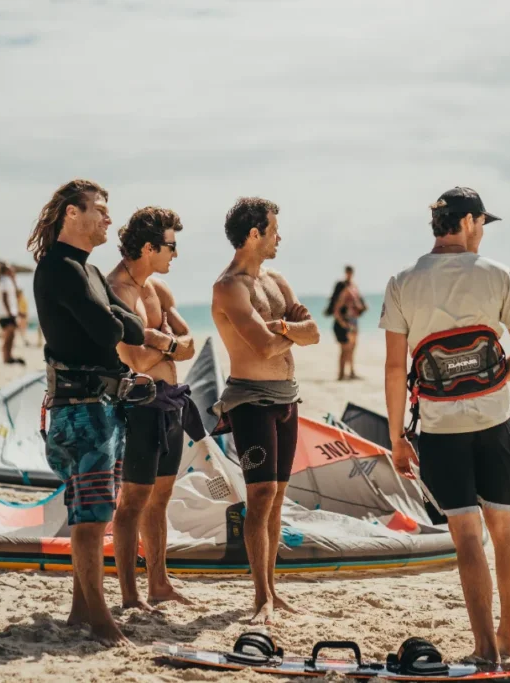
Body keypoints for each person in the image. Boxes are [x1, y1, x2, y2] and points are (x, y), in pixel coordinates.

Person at [381, 187, 510, 666]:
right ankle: (509, 641)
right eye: (482, 223)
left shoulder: (402, 282)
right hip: (495, 421)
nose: (483, 232)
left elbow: (395, 368)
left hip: (439, 428)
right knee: (504, 528)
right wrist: (488, 382)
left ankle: (484, 648)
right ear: (468, 222)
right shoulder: (497, 275)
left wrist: (397, 438)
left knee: (467, 536)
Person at [28, 178, 145, 644]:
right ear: (71, 214)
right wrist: (115, 320)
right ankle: (100, 619)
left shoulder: (90, 272)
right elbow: (107, 331)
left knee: (95, 509)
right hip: (79, 408)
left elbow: (135, 328)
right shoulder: (58, 268)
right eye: (99, 208)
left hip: (103, 405)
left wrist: (115, 320)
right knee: (91, 516)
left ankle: (81, 609)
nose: (108, 218)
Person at [210, 197, 320, 625]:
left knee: (277, 500)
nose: (279, 237)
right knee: (259, 497)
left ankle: (273, 590)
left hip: (287, 399)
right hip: (250, 401)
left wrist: (283, 328)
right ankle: (260, 598)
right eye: (274, 230)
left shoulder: (276, 281)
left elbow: (314, 333)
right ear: (254, 234)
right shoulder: (229, 287)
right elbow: (263, 346)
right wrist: (290, 331)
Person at [106, 206, 203, 610]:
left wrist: (160, 340)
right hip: (138, 407)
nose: (175, 254)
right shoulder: (116, 291)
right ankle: (130, 594)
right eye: (170, 246)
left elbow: (191, 344)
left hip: (170, 404)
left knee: (161, 499)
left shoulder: (158, 290)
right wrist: (167, 345)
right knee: (132, 502)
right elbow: (136, 359)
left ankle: (159, 584)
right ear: (149, 248)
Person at [330, 265, 367, 381]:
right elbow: (336, 308)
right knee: (345, 349)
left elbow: (359, 303)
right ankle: (341, 374)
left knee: (352, 348)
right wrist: (342, 322)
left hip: (353, 320)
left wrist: (361, 307)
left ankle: (351, 372)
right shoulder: (344, 288)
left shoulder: (354, 287)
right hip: (346, 321)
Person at [0, 265, 23, 365]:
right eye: (11, 269)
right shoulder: (5, 281)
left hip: (6, 313)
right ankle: (6, 357)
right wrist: (9, 312)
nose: (13, 270)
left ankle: (8, 356)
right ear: (6, 270)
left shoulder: (5, 280)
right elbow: (5, 297)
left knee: (10, 336)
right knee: (8, 337)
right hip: (6, 313)